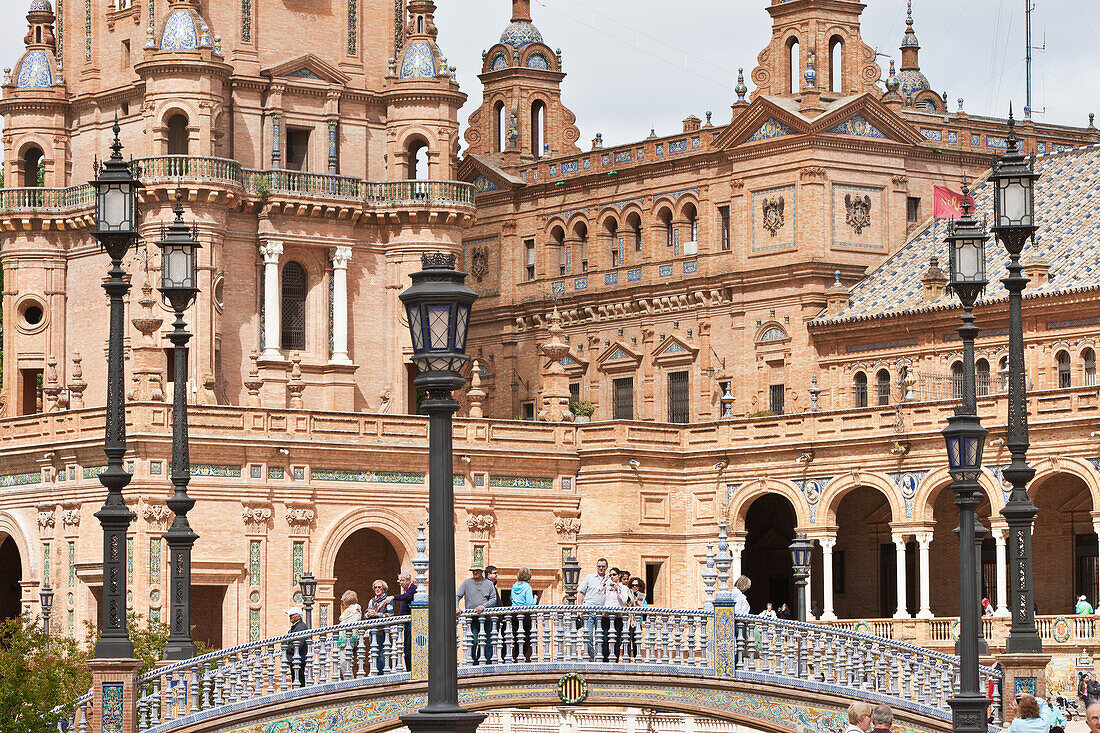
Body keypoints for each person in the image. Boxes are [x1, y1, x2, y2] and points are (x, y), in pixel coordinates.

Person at [456, 561, 499, 664]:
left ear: (481, 572)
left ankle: (486, 663)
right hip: (472, 619)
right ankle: (474, 662)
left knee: (487, 641)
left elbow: (494, 599)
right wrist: (456, 607)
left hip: (486, 618)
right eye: (473, 571)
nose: (475, 572)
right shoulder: (467, 583)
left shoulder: (488, 584)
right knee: (473, 640)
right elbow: (457, 595)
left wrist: (484, 606)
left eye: (477, 571)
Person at [577, 558, 609, 660]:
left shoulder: (609, 580)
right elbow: (581, 593)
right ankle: (591, 658)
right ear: (596, 566)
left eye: (603, 566)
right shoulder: (589, 577)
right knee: (589, 636)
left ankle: (598, 658)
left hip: (602, 613)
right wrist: (579, 609)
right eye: (599, 566)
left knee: (600, 638)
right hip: (589, 611)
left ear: (606, 567)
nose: (601, 568)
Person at [388, 571, 417, 673]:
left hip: (411, 623)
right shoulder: (406, 590)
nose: (400, 583)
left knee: (409, 647)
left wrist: (394, 597)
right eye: (399, 581)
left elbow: (408, 597)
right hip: (405, 622)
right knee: (406, 647)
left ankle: (411, 670)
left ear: (409, 580)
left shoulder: (413, 589)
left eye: (402, 581)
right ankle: (409, 669)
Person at [600, 567, 631, 662]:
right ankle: (605, 660)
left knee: (617, 640)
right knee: (604, 639)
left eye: (614, 575)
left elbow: (625, 600)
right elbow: (599, 591)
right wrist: (604, 580)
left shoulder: (624, 588)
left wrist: (618, 589)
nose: (612, 577)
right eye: (611, 575)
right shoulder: (607, 586)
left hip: (618, 617)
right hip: (606, 616)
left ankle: (615, 659)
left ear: (619, 575)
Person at [364, 579, 393, 672]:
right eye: (375, 587)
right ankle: (376, 672)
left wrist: (377, 614)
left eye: (379, 587)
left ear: (383, 588)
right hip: (372, 630)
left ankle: (383, 674)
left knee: (382, 653)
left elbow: (390, 615)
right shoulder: (372, 601)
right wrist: (368, 614)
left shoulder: (387, 600)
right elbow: (366, 613)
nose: (377, 589)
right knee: (374, 652)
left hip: (382, 631)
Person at [510, 567, 536, 662]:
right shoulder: (527, 587)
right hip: (524, 615)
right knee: (526, 637)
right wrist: (535, 599)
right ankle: (522, 656)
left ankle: (516, 656)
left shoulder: (514, 586)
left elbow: (512, 599)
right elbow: (530, 604)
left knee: (516, 637)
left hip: (514, 614)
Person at [335, 590, 362, 661]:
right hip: (352, 639)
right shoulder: (357, 610)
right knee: (347, 662)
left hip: (345, 640)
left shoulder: (349, 610)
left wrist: (342, 606)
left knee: (344, 663)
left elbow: (341, 617)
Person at [284, 607, 308, 687]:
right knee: (296, 680)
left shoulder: (300, 627)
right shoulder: (295, 627)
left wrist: (287, 648)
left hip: (299, 659)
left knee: (299, 681)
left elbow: (298, 644)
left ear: (298, 616)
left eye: (292, 615)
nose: (290, 616)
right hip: (294, 659)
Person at [626, 577, 647, 660]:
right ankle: (626, 659)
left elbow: (645, 607)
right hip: (628, 621)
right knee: (627, 640)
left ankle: (636, 658)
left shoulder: (642, 596)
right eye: (632, 585)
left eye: (636, 585)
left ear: (639, 586)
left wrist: (639, 605)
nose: (634, 587)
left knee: (636, 641)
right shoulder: (628, 594)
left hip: (638, 622)